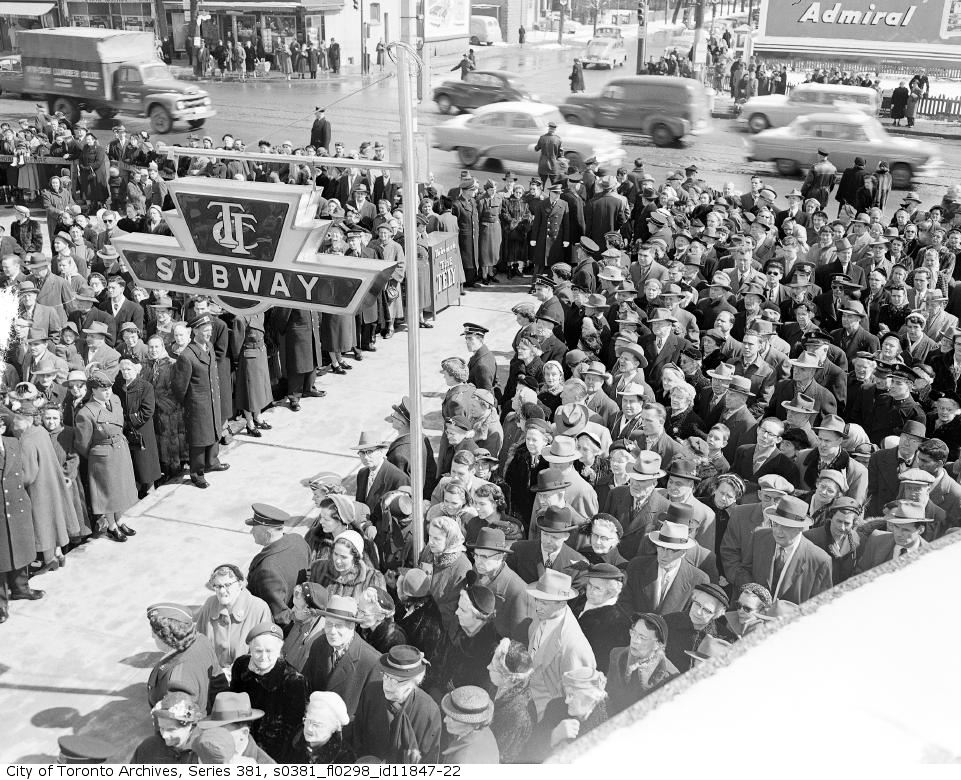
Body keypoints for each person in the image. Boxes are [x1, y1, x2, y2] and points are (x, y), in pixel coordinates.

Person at [73, 370, 138, 541]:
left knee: (120, 488)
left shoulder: (115, 400)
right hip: (103, 455)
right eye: (103, 389)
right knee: (107, 491)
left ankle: (120, 519)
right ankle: (111, 525)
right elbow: (82, 443)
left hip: (120, 449)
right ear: (93, 390)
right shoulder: (85, 413)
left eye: (109, 387)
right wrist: (98, 453)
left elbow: (120, 423)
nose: (107, 392)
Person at [229, 623, 307, 761]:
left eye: (269, 651)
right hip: (240, 744)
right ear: (250, 650)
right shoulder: (241, 666)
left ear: (279, 650)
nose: (263, 657)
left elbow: (293, 732)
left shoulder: (293, 681)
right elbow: (231, 706)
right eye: (258, 651)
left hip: (273, 755)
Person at [352, 645, 442, 763]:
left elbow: (429, 761)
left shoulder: (429, 711)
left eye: (397, 681)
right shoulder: (371, 693)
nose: (388, 685)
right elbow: (357, 737)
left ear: (415, 681)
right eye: (386, 676)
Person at [526, 569, 596, 719]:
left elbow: (580, 700)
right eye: (536, 600)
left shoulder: (575, 647)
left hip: (548, 718)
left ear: (562, 603)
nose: (537, 606)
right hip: (528, 705)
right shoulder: (541, 617)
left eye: (544, 602)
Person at [301, 594, 382, 722]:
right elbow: (306, 686)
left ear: (352, 626)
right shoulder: (318, 644)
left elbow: (371, 713)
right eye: (328, 624)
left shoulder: (372, 662)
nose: (332, 631)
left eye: (338, 625)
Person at [172, 314, 227, 489]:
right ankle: (197, 473)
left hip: (211, 400)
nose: (209, 334)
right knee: (199, 440)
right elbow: (179, 388)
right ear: (195, 331)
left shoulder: (209, 346)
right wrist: (190, 404)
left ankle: (212, 461)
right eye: (205, 331)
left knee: (213, 432)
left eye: (210, 330)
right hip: (197, 405)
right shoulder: (187, 356)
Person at [195, 563, 273, 674]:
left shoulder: (259, 609)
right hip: (213, 678)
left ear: (240, 584)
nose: (222, 591)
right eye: (217, 586)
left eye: (227, 585)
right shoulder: (210, 604)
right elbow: (197, 644)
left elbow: (265, 655)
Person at [146, 602, 223, 713]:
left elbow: (175, 724)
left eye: (154, 631)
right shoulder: (201, 640)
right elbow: (219, 683)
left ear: (166, 635)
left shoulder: (177, 680)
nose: (152, 635)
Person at [0, 409, 39, 624]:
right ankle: (1, 604)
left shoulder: (13, 444)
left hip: (17, 505)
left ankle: (22, 588)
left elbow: (23, 471)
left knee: (21, 551)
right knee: (2, 559)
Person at [245, 503, 310, 629]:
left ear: (267, 534)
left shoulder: (267, 569)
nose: (251, 531)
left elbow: (279, 616)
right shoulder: (298, 540)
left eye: (254, 528)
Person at [528, 667, 608, 761]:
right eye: (566, 694)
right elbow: (528, 750)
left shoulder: (605, 726)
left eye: (571, 695)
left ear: (590, 698)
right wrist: (554, 736)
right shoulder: (555, 707)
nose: (566, 701)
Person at [606, 612, 678, 716]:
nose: (635, 640)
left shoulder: (670, 677)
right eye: (633, 633)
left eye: (642, 638)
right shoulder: (616, 655)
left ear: (657, 644)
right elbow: (608, 694)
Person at [131, 685, 203, 763]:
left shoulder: (205, 754)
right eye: (162, 728)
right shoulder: (147, 748)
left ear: (189, 726)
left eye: (171, 729)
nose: (164, 735)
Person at [285, 691, 355, 764]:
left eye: (316, 725)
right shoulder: (295, 740)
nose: (309, 728)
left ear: (334, 728)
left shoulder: (344, 758)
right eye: (307, 720)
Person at [440, 686, 500, 763]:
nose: (445, 720)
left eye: (453, 718)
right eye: (447, 715)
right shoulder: (484, 730)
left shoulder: (461, 760)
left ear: (474, 724)